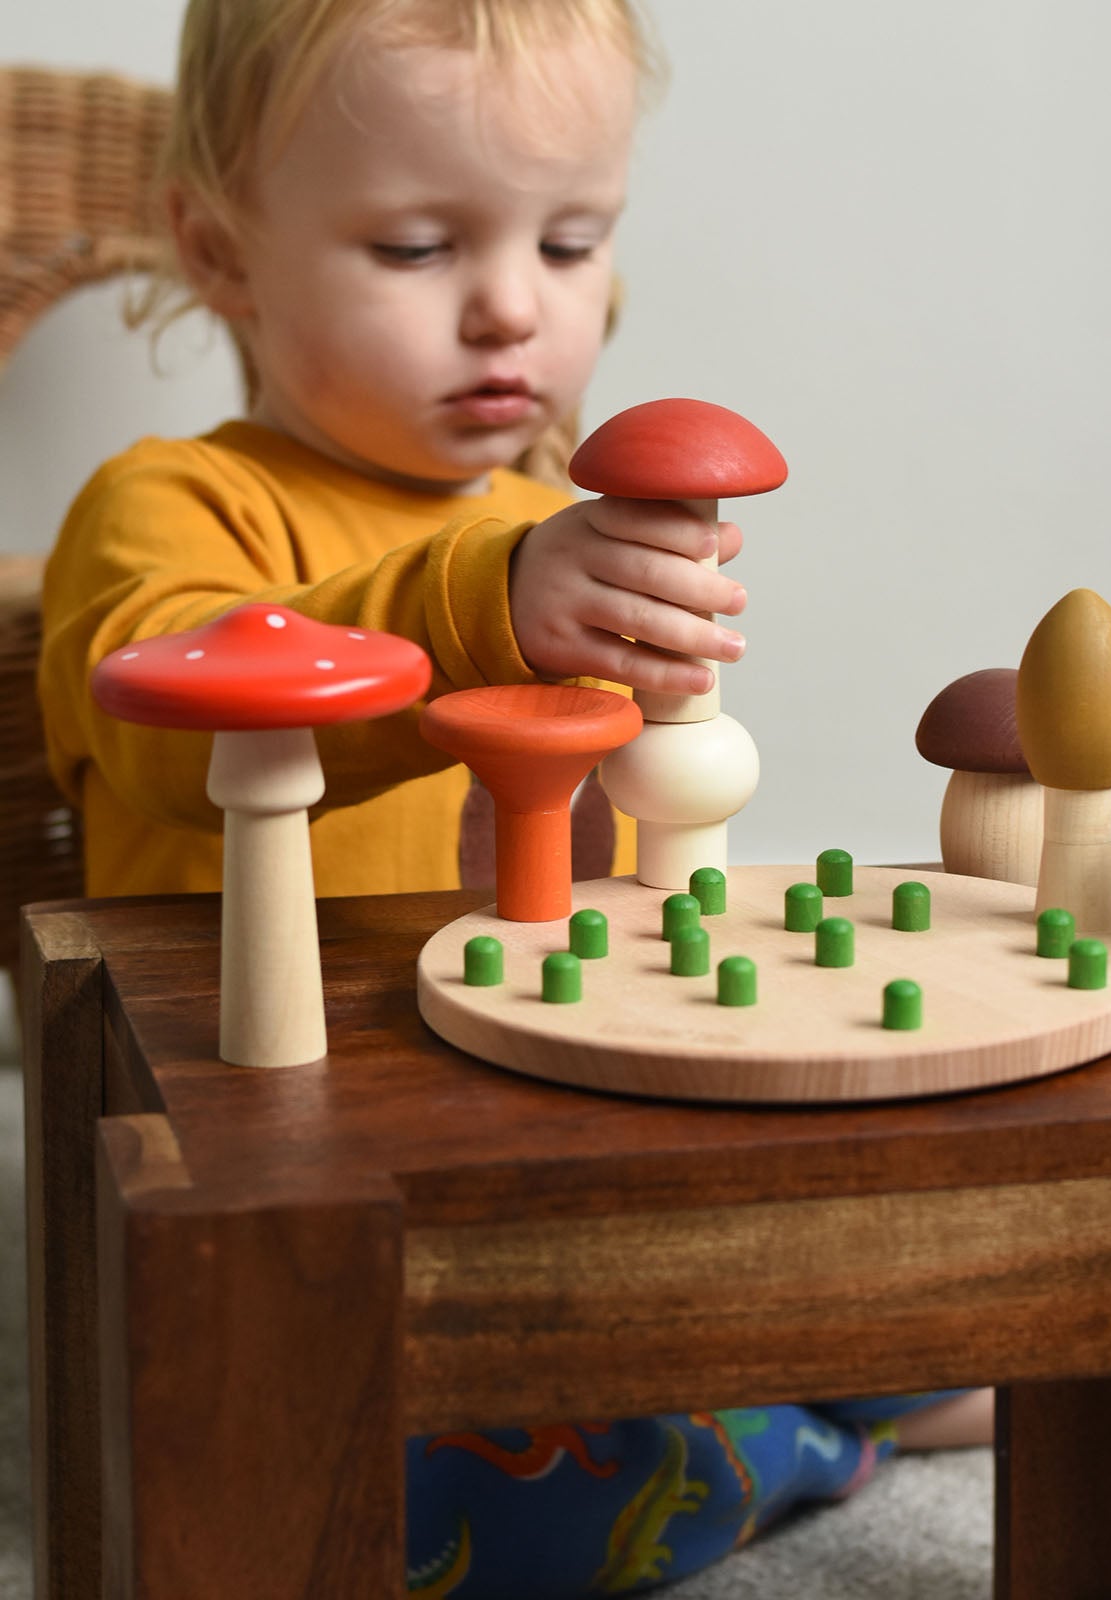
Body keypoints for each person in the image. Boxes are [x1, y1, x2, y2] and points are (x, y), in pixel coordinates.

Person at [39, 0, 992, 1592]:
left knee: (910, 1251)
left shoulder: (557, 518)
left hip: (530, 1140)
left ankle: (818, 1367)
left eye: (568, 240)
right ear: (216, 251)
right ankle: (827, 1440)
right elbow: (154, 703)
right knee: (440, 1507)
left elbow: (602, 875)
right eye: (416, 247)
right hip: (288, 1186)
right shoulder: (174, 501)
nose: (510, 311)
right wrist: (493, 597)